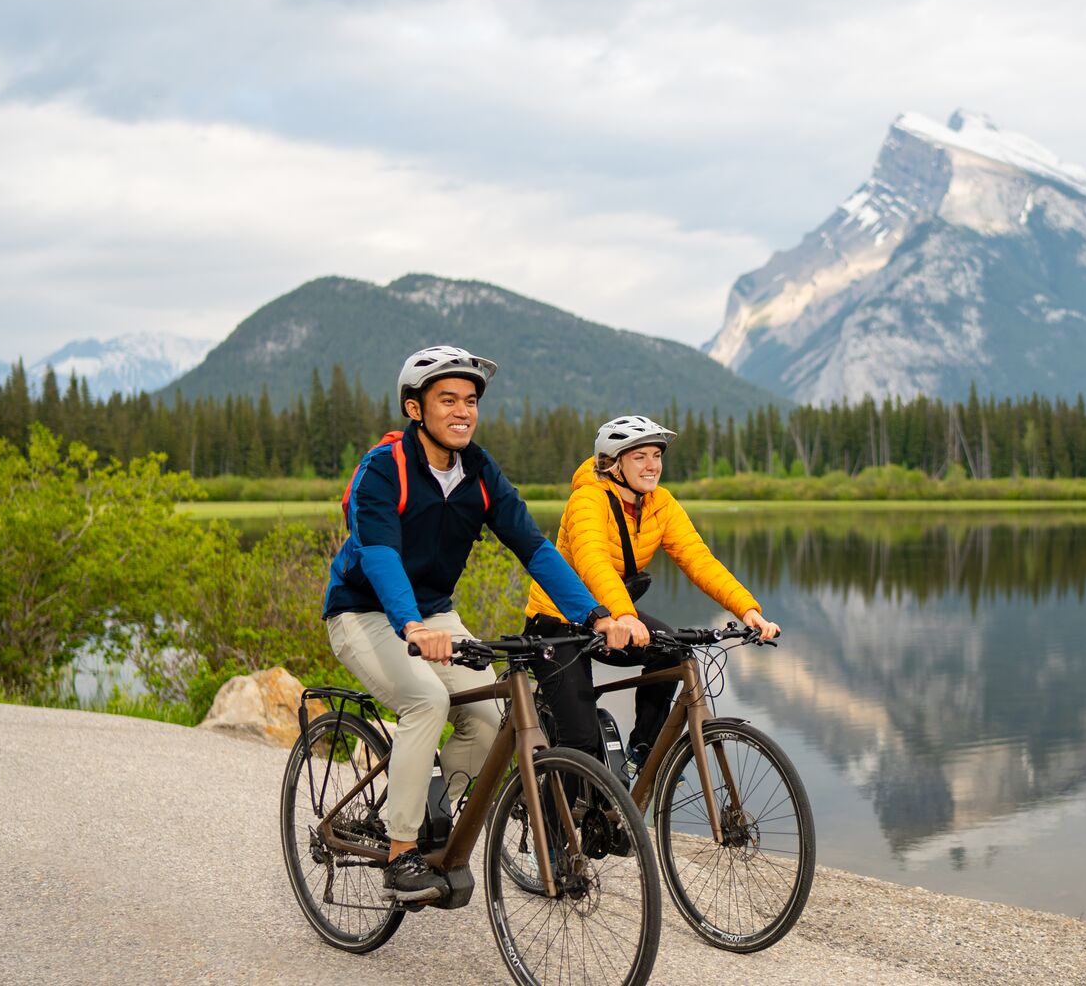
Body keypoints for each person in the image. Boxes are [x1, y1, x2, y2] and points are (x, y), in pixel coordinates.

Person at [322, 345, 609, 903]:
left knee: (489, 715)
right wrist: (410, 625)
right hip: (364, 612)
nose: (463, 411)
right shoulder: (383, 469)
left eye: (471, 401)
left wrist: (595, 613)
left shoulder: (479, 471)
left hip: (433, 613)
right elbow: (379, 555)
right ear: (415, 409)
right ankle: (402, 852)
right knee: (426, 701)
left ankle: (432, 808)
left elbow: (534, 546)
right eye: (447, 399)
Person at [523, 414, 780, 776]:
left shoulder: (660, 502)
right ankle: (554, 830)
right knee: (579, 743)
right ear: (613, 464)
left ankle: (641, 751)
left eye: (656, 455)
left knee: (672, 652)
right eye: (640, 456)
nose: (652, 465)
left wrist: (748, 610)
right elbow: (593, 561)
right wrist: (625, 616)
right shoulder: (588, 501)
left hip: (614, 615)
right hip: (557, 622)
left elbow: (698, 559)